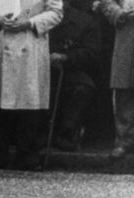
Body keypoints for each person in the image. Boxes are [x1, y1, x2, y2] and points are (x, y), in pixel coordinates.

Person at [0, 0, 63, 170]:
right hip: (3, 41)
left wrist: (30, 23)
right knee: (0, 97)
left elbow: (56, 12)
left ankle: (28, 154)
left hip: (31, 44)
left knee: (29, 97)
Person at [47, 0, 101, 152]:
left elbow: (91, 52)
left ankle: (66, 133)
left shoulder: (85, 21)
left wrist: (66, 57)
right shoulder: (36, 16)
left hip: (67, 69)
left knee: (83, 86)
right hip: (35, 69)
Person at [97, 0, 134, 159]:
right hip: (127, 33)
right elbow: (106, 2)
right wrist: (119, 14)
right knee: (124, 91)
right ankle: (124, 140)